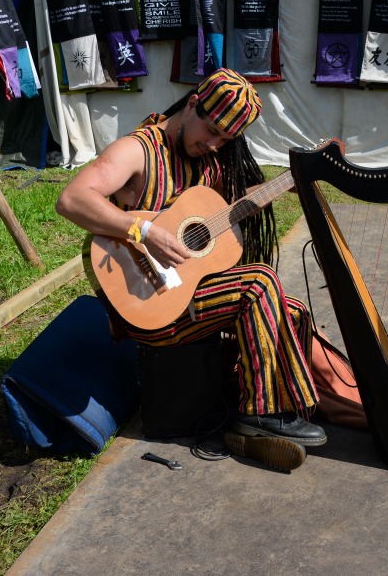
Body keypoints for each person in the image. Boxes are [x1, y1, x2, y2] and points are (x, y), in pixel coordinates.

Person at [56, 68, 327, 472]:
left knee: (287, 309)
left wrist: (288, 183)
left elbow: (219, 216)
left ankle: (254, 416)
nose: (214, 145)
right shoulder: (138, 151)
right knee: (258, 283)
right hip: (145, 307)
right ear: (194, 103)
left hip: (183, 299)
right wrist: (142, 230)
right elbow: (72, 199)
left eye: (225, 140)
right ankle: (262, 414)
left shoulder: (208, 159)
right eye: (211, 131)